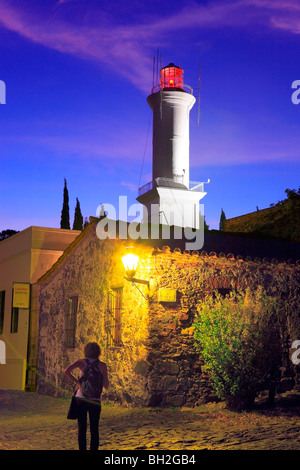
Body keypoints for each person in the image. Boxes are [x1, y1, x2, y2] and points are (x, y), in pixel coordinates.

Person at [64, 342, 109, 450]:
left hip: (81, 398)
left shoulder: (81, 362)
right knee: (94, 428)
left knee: (82, 427)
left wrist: (78, 382)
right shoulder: (102, 365)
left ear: (86, 351)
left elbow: (67, 371)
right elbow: (106, 384)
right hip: (95, 400)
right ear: (98, 352)